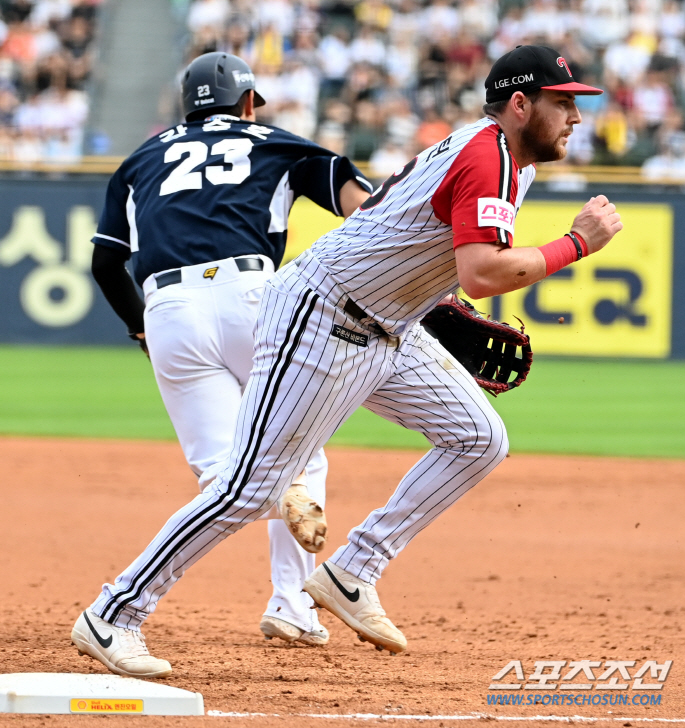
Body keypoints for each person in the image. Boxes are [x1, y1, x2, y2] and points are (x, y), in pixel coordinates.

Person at [72, 45, 622, 671]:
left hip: (387, 323)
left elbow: (404, 229)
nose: (575, 116)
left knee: (477, 436)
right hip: (323, 314)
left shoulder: (506, 158)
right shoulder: (487, 154)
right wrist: (579, 242)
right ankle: (114, 613)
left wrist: (427, 299)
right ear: (520, 105)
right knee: (248, 489)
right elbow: (483, 274)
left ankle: (353, 570)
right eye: (563, 102)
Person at [75, 52, 371, 677]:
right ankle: (290, 599)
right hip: (256, 299)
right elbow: (358, 204)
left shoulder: (140, 159)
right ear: (247, 104)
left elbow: (106, 262)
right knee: (298, 454)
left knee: (225, 479)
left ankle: (282, 586)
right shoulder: (274, 143)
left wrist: (141, 328)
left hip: (168, 308)